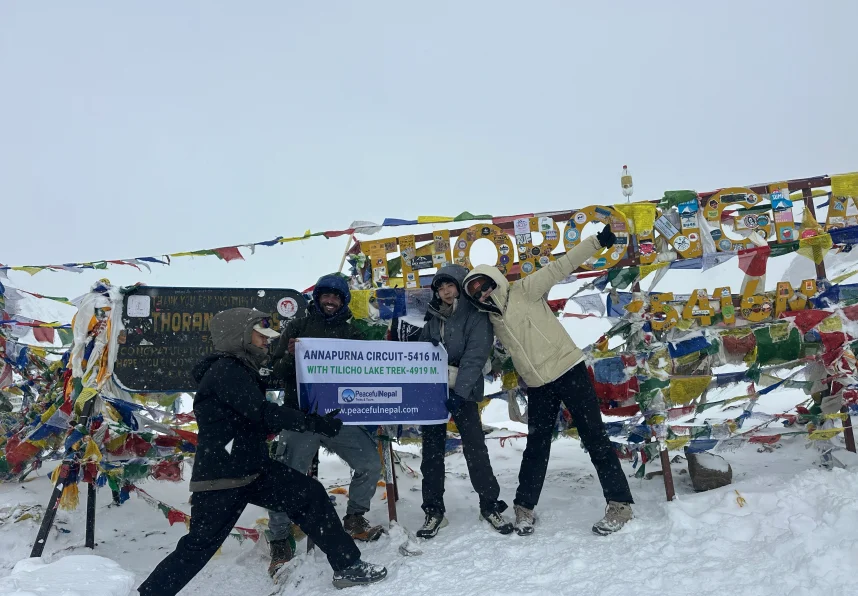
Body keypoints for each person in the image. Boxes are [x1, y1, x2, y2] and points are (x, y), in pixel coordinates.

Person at [138, 308, 386, 595]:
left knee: (309, 494)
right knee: (199, 545)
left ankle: (348, 566)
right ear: (239, 336)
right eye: (260, 334)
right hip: (224, 476)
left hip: (252, 468)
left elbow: (249, 418)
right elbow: (262, 412)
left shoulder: (241, 369)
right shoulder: (226, 370)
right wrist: (313, 423)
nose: (266, 340)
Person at [462, 225, 635, 537]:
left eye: (483, 286)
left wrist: (599, 240)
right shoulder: (489, 319)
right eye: (475, 293)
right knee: (536, 446)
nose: (482, 293)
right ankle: (524, 508)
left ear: (494, 280)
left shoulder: (524, 290)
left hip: (569, 369)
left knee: (594, 437)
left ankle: (619, 504)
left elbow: (562, 265)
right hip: (538, 384)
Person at [268, 274, 383, 576]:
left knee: (370, 463)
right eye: (325, 296)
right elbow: (273, 372)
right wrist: (291, 357)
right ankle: (279, 539)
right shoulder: (297, 328)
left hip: (336, 418)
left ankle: (355, 518)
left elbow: (368, 372)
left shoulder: (351, 333)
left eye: (337, 297)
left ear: (344, 301)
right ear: (317, 298)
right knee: (285, 478)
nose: (330, 301)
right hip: (300, 417)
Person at [416, 264, 513, 538]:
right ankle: (433, 510)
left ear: (459, 285)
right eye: (440, 288)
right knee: (431, 452)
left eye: (450, 286)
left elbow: (476, 354)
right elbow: (423, 350)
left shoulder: (474, 314)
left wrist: (460, 393)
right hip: (435, 391)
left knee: (474, 447)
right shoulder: (434, 316)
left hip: (464, 391)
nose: (445, 292)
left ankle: (489, 504)